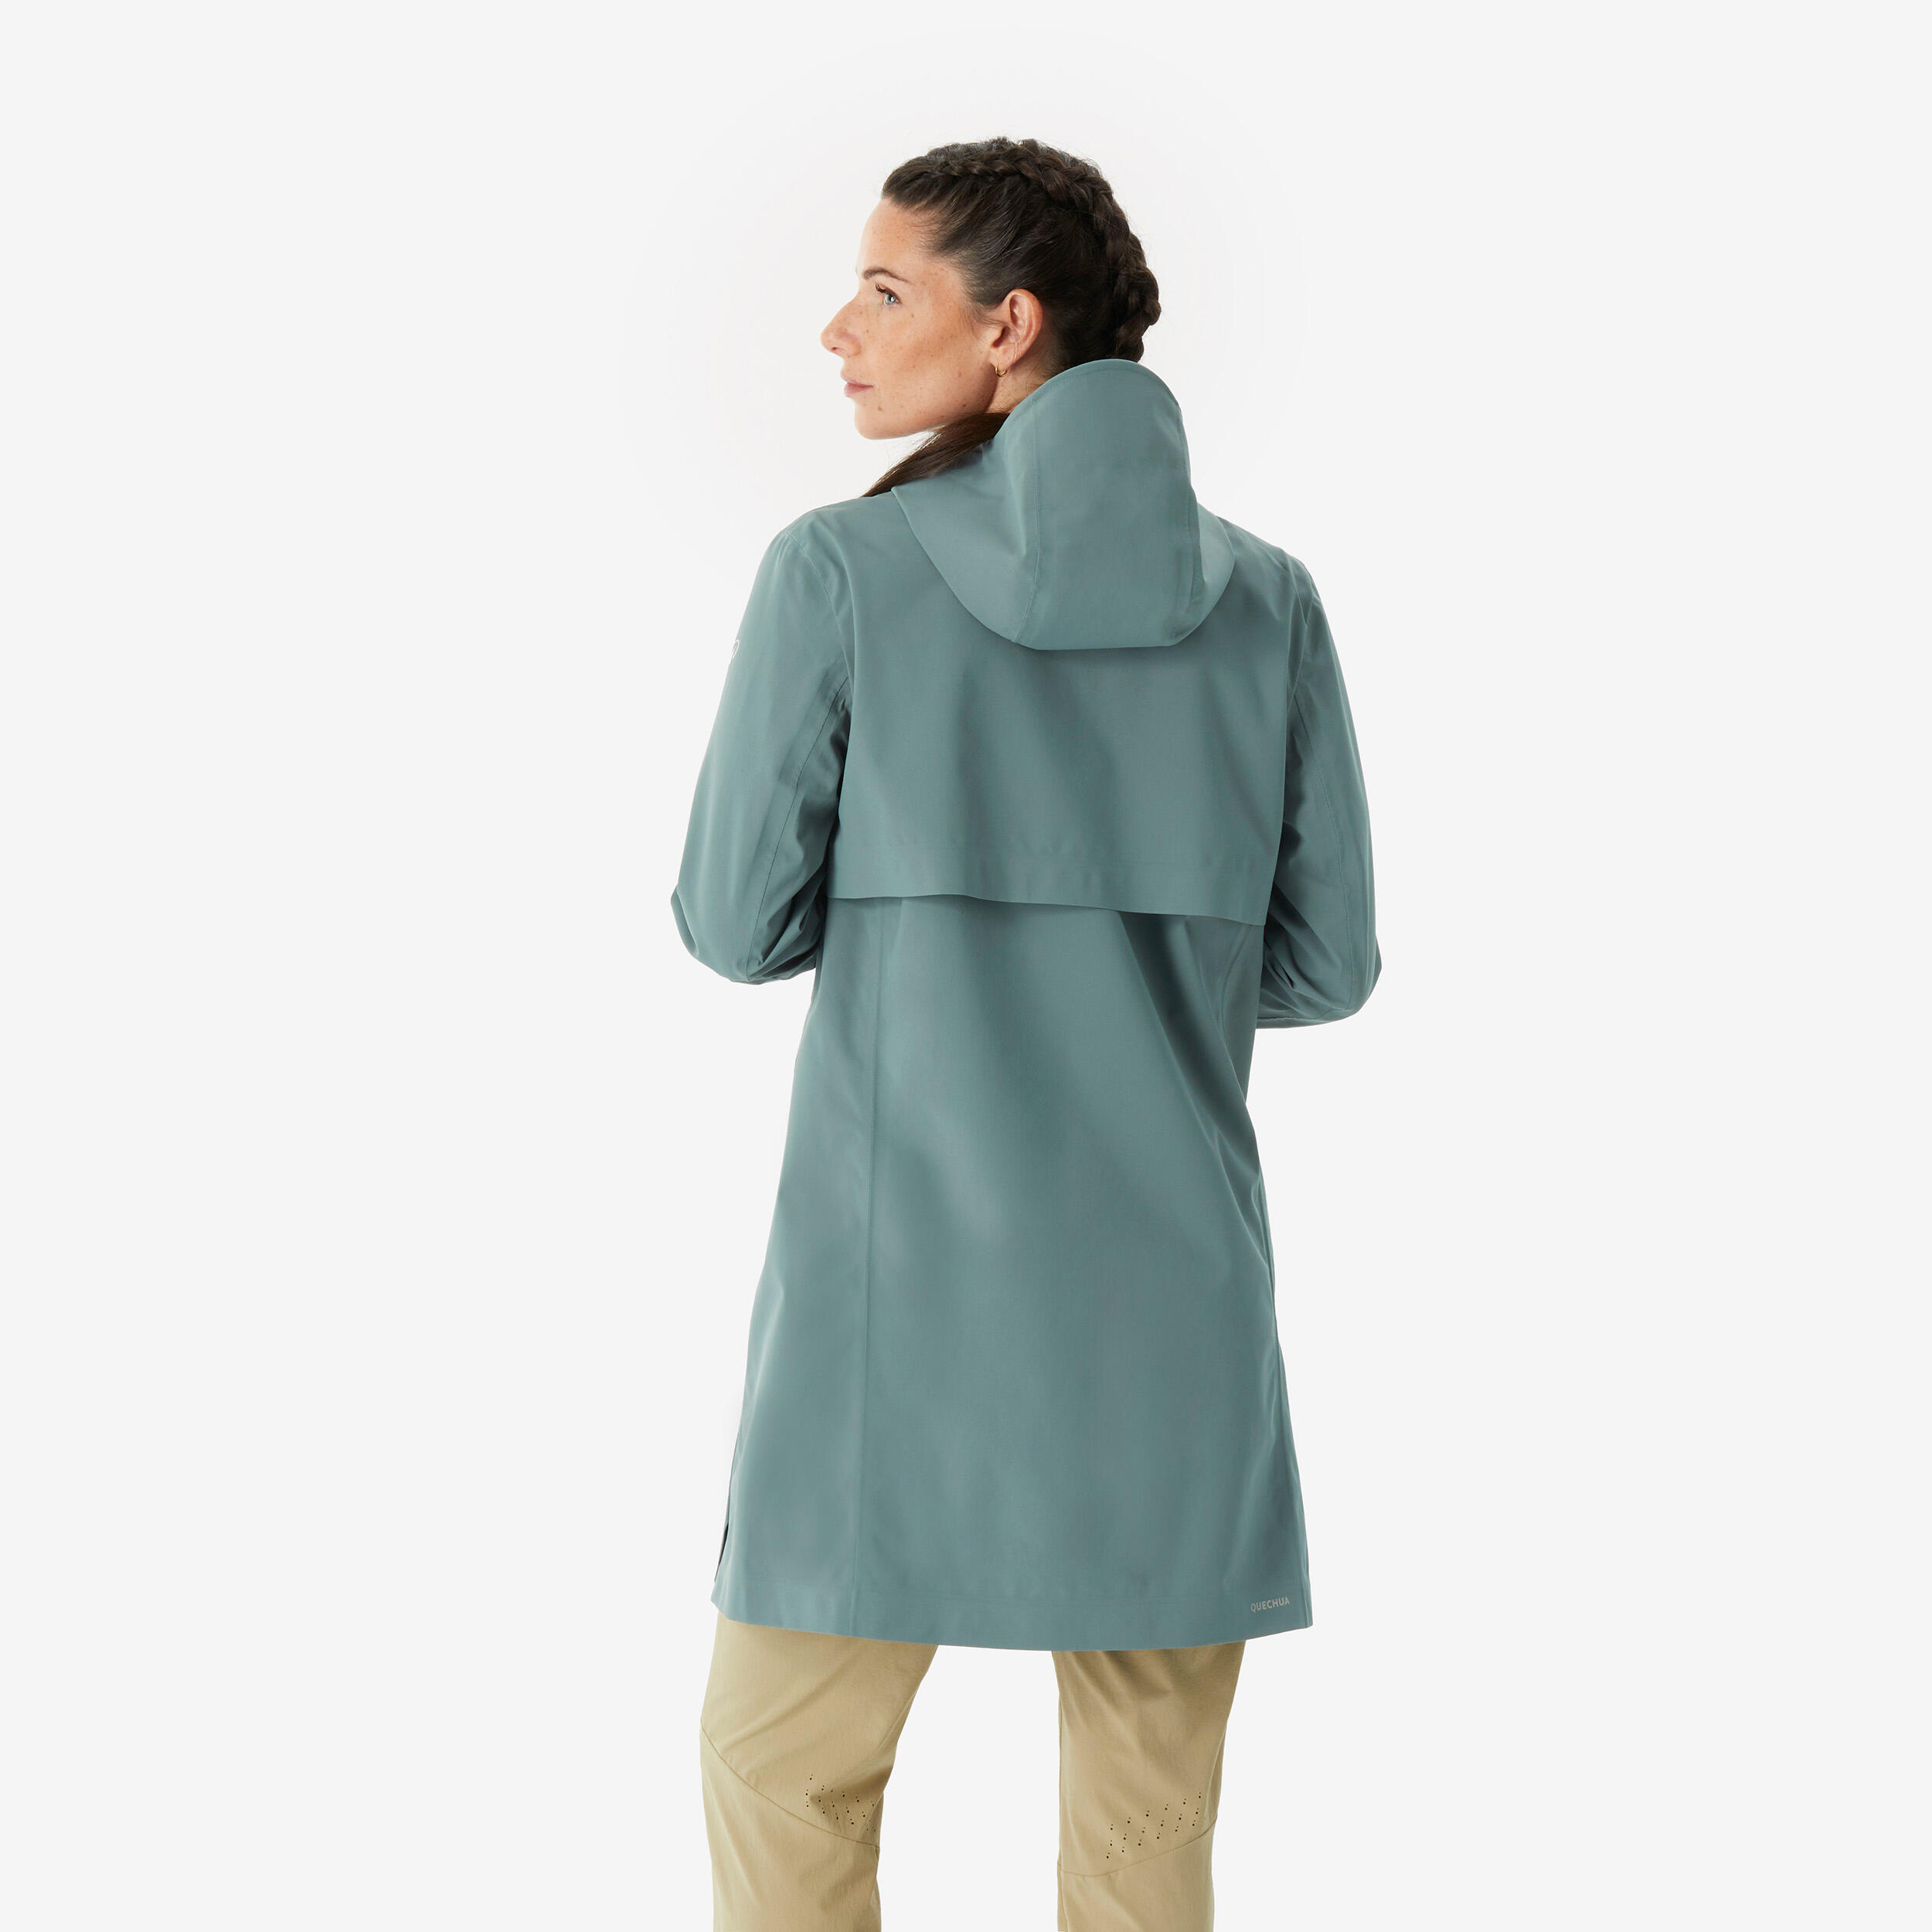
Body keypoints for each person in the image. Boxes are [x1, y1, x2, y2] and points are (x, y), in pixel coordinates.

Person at [670, 134, 1380, 1932]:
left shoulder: (837, 574)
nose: (836, 330)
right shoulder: (1270, 601)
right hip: (1172, 1320)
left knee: (781, 1775)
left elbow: (732, 923)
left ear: (1008, 328)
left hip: (884, 1322)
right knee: (1146, 1842)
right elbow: (1324, 965)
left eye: (881, 289)